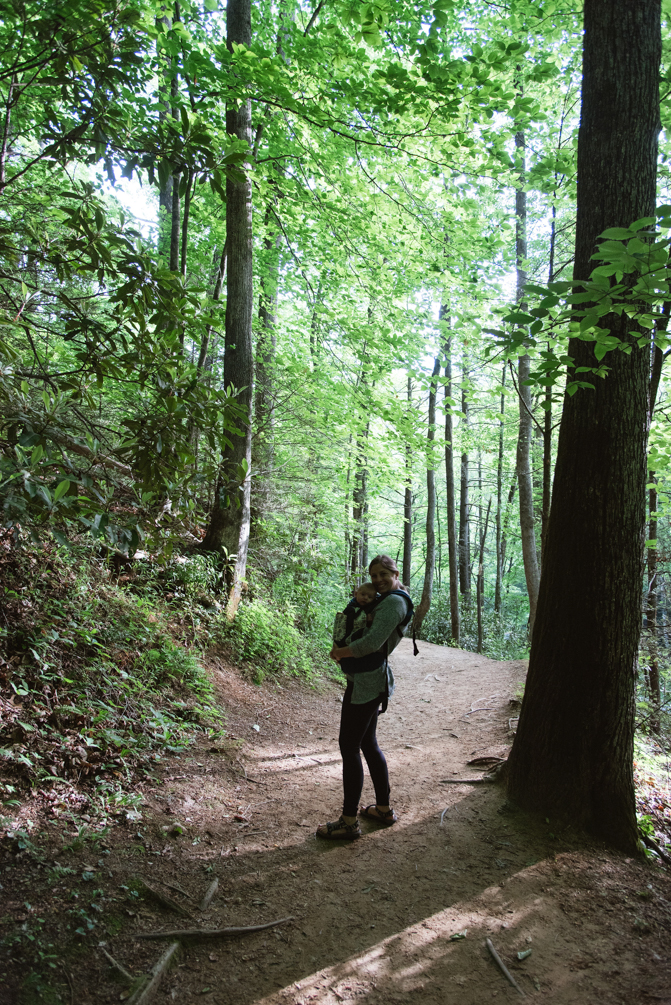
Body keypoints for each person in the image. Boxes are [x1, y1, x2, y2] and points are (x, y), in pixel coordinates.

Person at [316, 555, 413, 840]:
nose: (379, 579)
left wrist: (339, 653)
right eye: (374, 575)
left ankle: (349, 822)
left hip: (367, 685)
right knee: (368, 743)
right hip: (369, 681)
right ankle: (383, 809)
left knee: (349, 746)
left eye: (384, 574)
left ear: (395, 573)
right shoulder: (388, 598)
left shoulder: (394, 602)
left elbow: (372, 643)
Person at [332, 581, 378, 650]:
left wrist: (369, 622)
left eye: (370, 597)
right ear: (356, 594)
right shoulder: (350, 607)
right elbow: (340, 626)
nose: (365, 598)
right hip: (342, 640)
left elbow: (369, 631)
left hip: (356, 644)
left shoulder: (370, 611)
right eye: (363, 594)